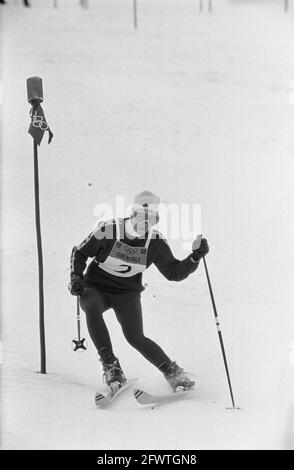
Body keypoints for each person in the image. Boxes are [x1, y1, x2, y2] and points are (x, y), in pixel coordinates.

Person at [69, 191, 209, 393]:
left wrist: (196, 256)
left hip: (126, 293)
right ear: (132, 214)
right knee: (91, 305)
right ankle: (111, 367)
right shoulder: (109, 229)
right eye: (140, 216)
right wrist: (76, 278)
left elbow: (173, 272)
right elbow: (80, 252)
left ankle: (173, 372)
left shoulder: (155, 242)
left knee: (134, 336)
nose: (143, 223)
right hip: (96, 287)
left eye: (150, 219)